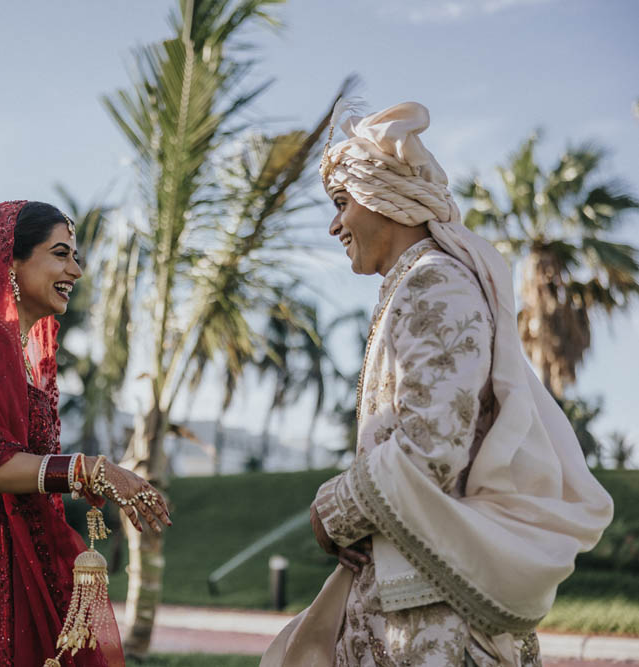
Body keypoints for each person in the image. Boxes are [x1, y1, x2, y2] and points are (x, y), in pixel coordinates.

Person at [263, 103, 613, 667]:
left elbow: (432, 448)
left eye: (340, 203)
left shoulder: (436, 283)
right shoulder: (416, 284)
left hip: (437, 623)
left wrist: (333, 509)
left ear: (383, 200)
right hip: (411, 602)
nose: (333, 226)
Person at [0, 200, 171, 666]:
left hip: (31, 552)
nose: (75, 271)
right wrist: (87, 471)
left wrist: (81, 477)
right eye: (61, 254)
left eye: (75, 257)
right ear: (11, 262)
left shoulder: (27, 361)